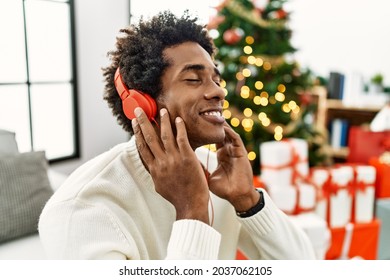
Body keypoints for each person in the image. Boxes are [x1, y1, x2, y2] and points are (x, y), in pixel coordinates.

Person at [39, 10, 315, 260]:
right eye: (193, 79)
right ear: (140, 104)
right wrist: (191, 210)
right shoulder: (79, 211)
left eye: (216, 80)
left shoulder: (215, 173)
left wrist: (248, 201)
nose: (219, 92)